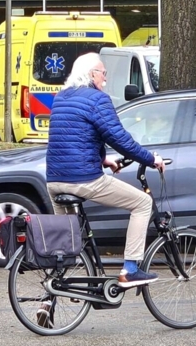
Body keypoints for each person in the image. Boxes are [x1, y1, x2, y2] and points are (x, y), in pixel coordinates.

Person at [45, 52, 165, 291]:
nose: (105, 80)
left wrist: (103, 159)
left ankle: (50, 296)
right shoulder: (97, 99)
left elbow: (76, 137)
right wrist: (151, 158)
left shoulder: (61, 97)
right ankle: (130, 269)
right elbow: (119, 138)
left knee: (66, 243)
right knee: (142, 203)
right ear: (92, 74)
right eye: (103, 73)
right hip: (83, 180)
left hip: (55, 181)